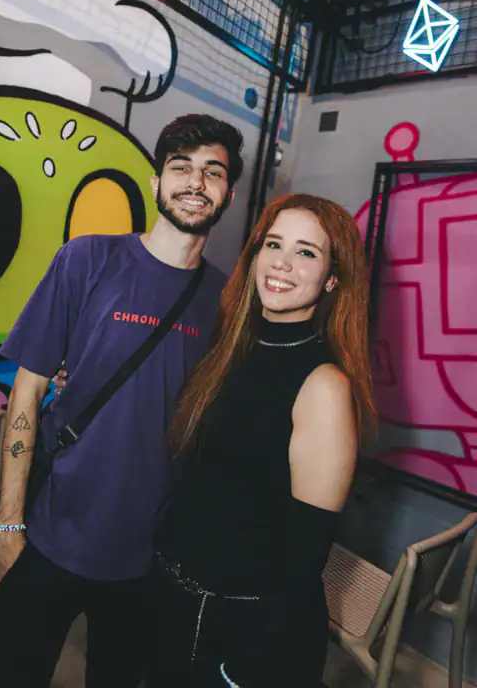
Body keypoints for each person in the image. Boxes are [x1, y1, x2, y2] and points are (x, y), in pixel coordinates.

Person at [0, 114, 244, 688]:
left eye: (213, 171)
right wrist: (8, 522)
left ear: (228, 193)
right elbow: (27, 391)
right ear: (156, 182)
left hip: (148, 557)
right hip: (47, 531)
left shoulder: (226, 302)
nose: (196, 182)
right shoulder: (87, 259)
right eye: (181, 167)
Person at [146, 193, 376, 688]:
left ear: (332, 279)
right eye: (273, 244)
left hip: (242, 629)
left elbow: (303, 555)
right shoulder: (232, 350)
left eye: (306, 252)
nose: (282, 263)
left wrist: (240, 670)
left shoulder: (324, 386)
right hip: (175, 602)